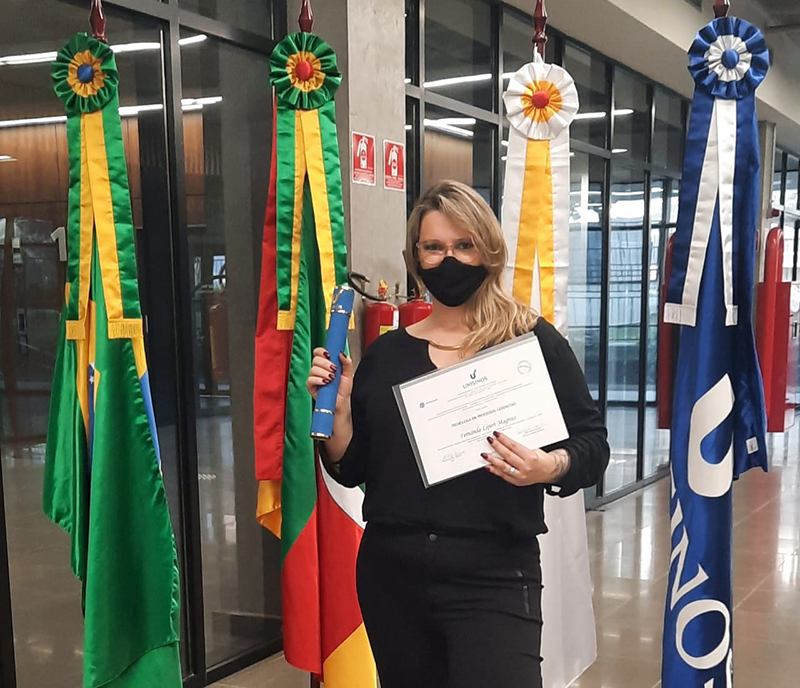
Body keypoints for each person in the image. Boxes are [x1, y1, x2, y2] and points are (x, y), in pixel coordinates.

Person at [306, 180, 609, 688]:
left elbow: (592, 446)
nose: (449, 259)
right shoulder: (385, 356)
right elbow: (352, 467)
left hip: (494, 571)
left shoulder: (529, 341)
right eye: (434, 247)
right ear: (416, 257)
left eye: (464, 245)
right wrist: (339, 415)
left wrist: (547, 466)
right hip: (392, 573)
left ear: (488, 249)